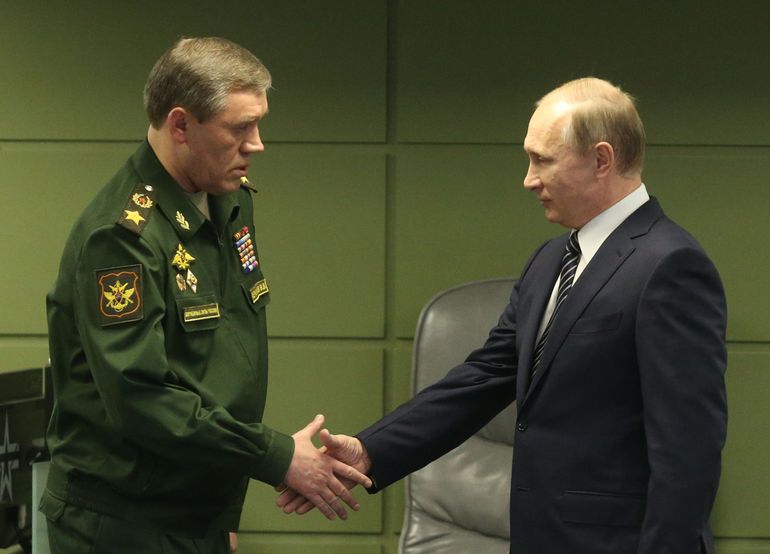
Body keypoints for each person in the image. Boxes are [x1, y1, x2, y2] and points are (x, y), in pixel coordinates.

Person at [278, 77, 728, 554]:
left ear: (601, 159)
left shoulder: (670, 265)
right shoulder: (551, 260)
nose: (528, 179)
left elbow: (688, 453)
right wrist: (370, 451)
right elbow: (483, 377)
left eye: (543, 160)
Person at [41, 37, 370, 554]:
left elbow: (215, 363)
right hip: (123, 523)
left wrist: (221, 509)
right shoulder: (121, 237)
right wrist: (276, 456)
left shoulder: (227, 200)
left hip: (198, 508)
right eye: (240, 128)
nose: (257, 144)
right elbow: (142, 397)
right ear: (180, 125)